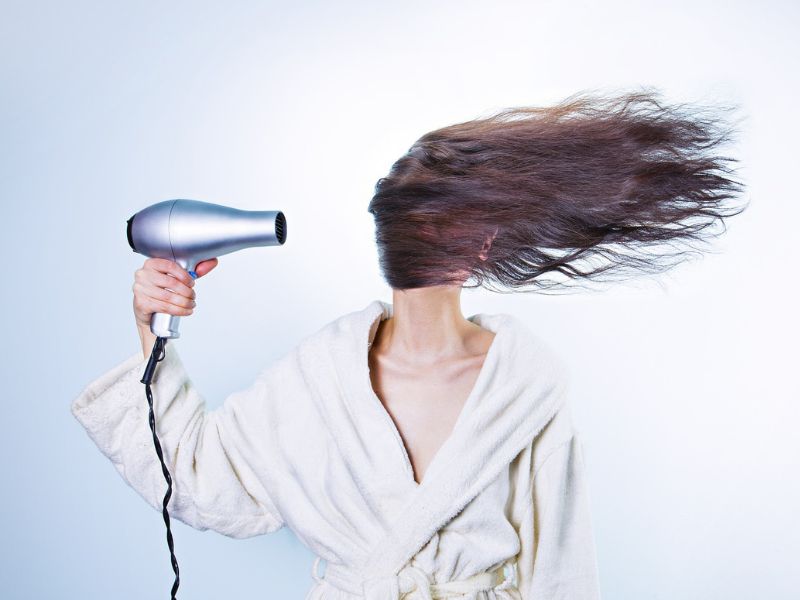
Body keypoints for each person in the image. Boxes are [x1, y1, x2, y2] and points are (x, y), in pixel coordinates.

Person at [71, 87, 747, 600]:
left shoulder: (524, 386)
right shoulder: (318, 379)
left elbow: (561, 575)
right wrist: (149, 329)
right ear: (483, 244)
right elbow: (197, 483)